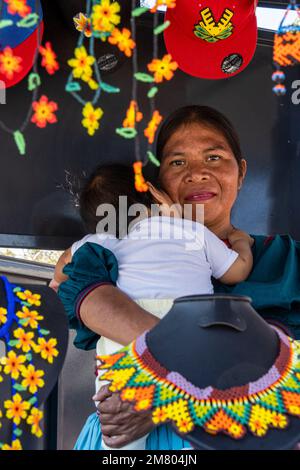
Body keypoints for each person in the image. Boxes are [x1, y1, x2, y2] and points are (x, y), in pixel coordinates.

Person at [58, 105, 300, 450]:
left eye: (214, 157)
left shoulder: (284, 258)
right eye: (177, 162)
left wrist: (171, 393)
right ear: (156, 186)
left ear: (241, 173)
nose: (197, 173)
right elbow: (74, 288)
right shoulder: (114, 249)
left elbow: (291, 366)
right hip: (119, 434)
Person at [53, 164, 253, 450]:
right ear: (154, 195)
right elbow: (238, 271)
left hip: (125, 369)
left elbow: (63, 266)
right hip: (197, 354)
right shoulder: (192, 231)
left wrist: (56, 280)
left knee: (119, 436)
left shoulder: (101, 242)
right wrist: (240, 241)